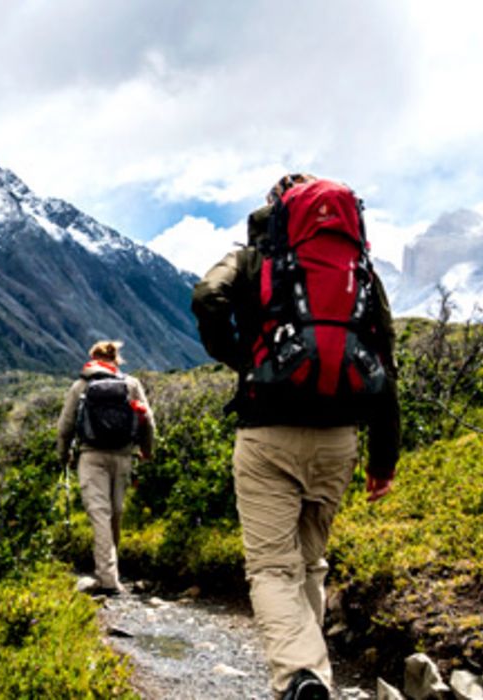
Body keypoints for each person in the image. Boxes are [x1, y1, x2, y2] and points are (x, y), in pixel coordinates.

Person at [191, 174, 401, 700]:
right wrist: (384, 459)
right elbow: (385, 358)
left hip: (268, 433)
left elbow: (206, 297)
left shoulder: (253, 260)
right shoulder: (360, 271)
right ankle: (315, 678)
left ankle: (300, 676)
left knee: (269, 568)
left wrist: (242, 358)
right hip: (340, 438)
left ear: (276, 212)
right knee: (311, 560)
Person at [57, 340, 155, 595]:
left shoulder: (81, 385)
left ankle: (108, 579)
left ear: (92, 358)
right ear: (116, 360)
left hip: (91, 457)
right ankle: (111, 572)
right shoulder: (130, 384)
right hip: (123, 457)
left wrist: (64, 454)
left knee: (99, 514)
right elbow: (148, 421)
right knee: (116, 513)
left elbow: (65, 426)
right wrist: (146, 450)